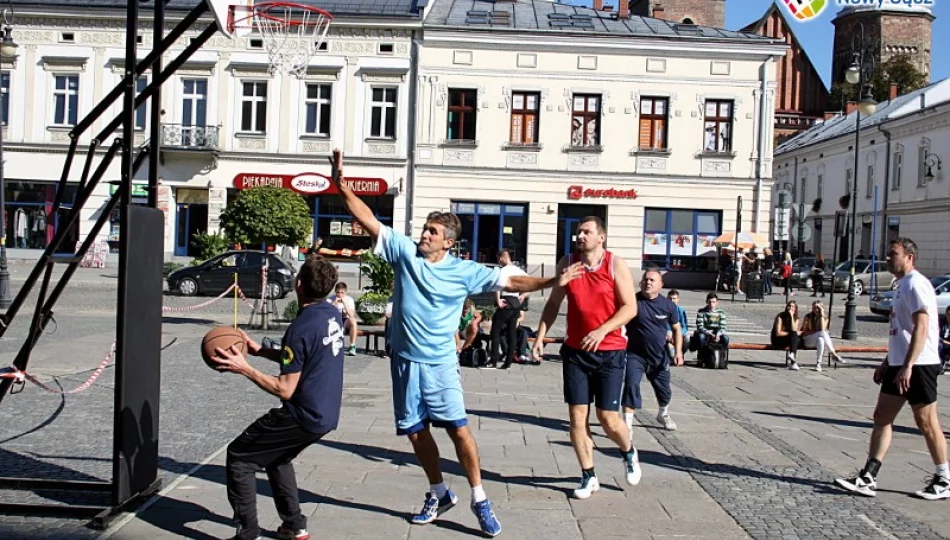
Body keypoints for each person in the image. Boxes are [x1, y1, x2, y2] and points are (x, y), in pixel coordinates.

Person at [327, 149, 580, 536]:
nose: (424, 235)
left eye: (431, 232)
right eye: (425, 229)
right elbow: (366, 218)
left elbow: (512, 282)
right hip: (405, 361)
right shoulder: (405, 252)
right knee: (414, 431)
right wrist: (340, 184)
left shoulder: (465, 271)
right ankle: (439, 492)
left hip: (441, 362)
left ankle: (480, 499)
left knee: (458, 429)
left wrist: (550, 282)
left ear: (446, 243)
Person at [211, 255, 344, 540]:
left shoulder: (300, 328)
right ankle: (294, 525)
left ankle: (248, 533)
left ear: (298, 285)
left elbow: (285, 388)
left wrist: (244, 367)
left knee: (240, 457)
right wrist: (261, 351)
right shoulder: (331, 313)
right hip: (327, 414)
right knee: (277, 458)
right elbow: (305, 357)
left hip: (302, 415)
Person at [532, 216, 642, 500]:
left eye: (586, 232)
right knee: (577, 417)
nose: (580, 236)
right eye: (578, 232)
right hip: (576, 353)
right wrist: (540, 337)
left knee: (608, 418)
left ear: (600, 237)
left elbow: (630, 308)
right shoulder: (568, 263)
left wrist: (603, 330)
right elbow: (554, 302)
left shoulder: (615, 265)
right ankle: (589, 475)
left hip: (610, 352)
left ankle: (628, 451)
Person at [835, 237, 950, 500]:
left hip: (920, 364)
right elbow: (902, 332)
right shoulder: (901, 285)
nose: (887, 258)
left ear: (909, 257)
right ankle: (868, 476)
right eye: (887, 254)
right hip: (900, 363)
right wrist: (888, 362)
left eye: (893, 254)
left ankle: (944, 478)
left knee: (926, 422)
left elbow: (921, 328)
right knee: (882, 416)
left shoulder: (916, 284)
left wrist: (908, 365)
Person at [622, 270, 683, 433]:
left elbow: (677, 329)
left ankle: (663, 413)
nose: (648, 282)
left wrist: (678, 352)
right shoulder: (632, 301)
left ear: (660, 285)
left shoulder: (668, 305)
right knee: (631, 385)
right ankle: (627, 426)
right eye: (645, 279)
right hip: (635, 355)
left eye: (652, 280)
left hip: (659, 356)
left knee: (665, 392)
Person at [490, 249, 528, 369]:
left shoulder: (502, 270)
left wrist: (498, 300)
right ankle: (508, 362)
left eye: (499, 260)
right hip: (516, 302)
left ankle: (494, 360)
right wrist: (522, 295)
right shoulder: (518, 270)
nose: (499, 262)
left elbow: (497, 286)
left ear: (501, 258)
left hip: (506, 300)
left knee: (495, 330)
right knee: (512, 333)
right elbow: (530, 283)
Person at [800, 301, 842, 371]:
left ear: (822, 308)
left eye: (818, 307)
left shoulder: (825, 318)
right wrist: (815, 332)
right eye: (814, 307)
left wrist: (821, 315)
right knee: (822, 333)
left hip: (818, 339)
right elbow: (804, 332)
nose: (815, 309)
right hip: (808, 340)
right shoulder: (808, 316)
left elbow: (822, 328)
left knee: (821, 340)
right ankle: (833, 354)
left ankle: (818, 364)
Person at [689, 293, 729, 367]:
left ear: (717, 302)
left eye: (713, 302)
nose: (711, 304)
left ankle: (722, 357)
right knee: (701, 337)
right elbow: (700, 326)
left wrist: (718, 335)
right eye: (709, 302)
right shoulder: (702, 312)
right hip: (705, 333)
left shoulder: (721, 313)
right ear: (706, 302)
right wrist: (711, 334)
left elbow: (722, 326)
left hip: (717, 333)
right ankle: (701, 357)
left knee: (726, 338)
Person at [771, 301, 802, 370]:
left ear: (796, 309)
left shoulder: (796, 318)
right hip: (778, 340)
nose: (791, 308)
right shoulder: (780, 316)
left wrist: (791, 317)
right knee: (794, 336)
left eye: (793, 307)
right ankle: (793, 362)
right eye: (789, 306)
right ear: (787, 307)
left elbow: (794, 329)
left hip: (789, 339)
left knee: (796, 338)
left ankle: (792, 357)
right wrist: (791, 333)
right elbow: (778, 333)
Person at [330, 282, 358, 356]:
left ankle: (352, 346)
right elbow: (327, 314)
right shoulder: (331, 299)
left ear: (345, 292)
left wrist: (345, 304)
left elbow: (352, 314)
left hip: (345, 321)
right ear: (335, 291)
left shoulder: (349, 299)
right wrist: (333, 304)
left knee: (353, 320)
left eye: (342, 292)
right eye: (338, 292)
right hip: (334, 321)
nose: (340, 295)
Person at [667, 289, 688, 359]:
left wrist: (679, 335)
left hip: (678, 334)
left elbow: (685, 326)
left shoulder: (681, 311)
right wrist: (667, 333)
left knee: (687, 339)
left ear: (678, 299)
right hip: (667, 335)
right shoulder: (663, 310)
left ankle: (681, 354)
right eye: (670, 298)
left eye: (674, 298)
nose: (672, 301)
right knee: (671, 354)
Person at [941, 306, 950, 373]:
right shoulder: (941, 322)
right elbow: (936, 334)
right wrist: (942, 341)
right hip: (941, 342)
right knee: (940, 346)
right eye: (948, 314)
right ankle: (941, 364)